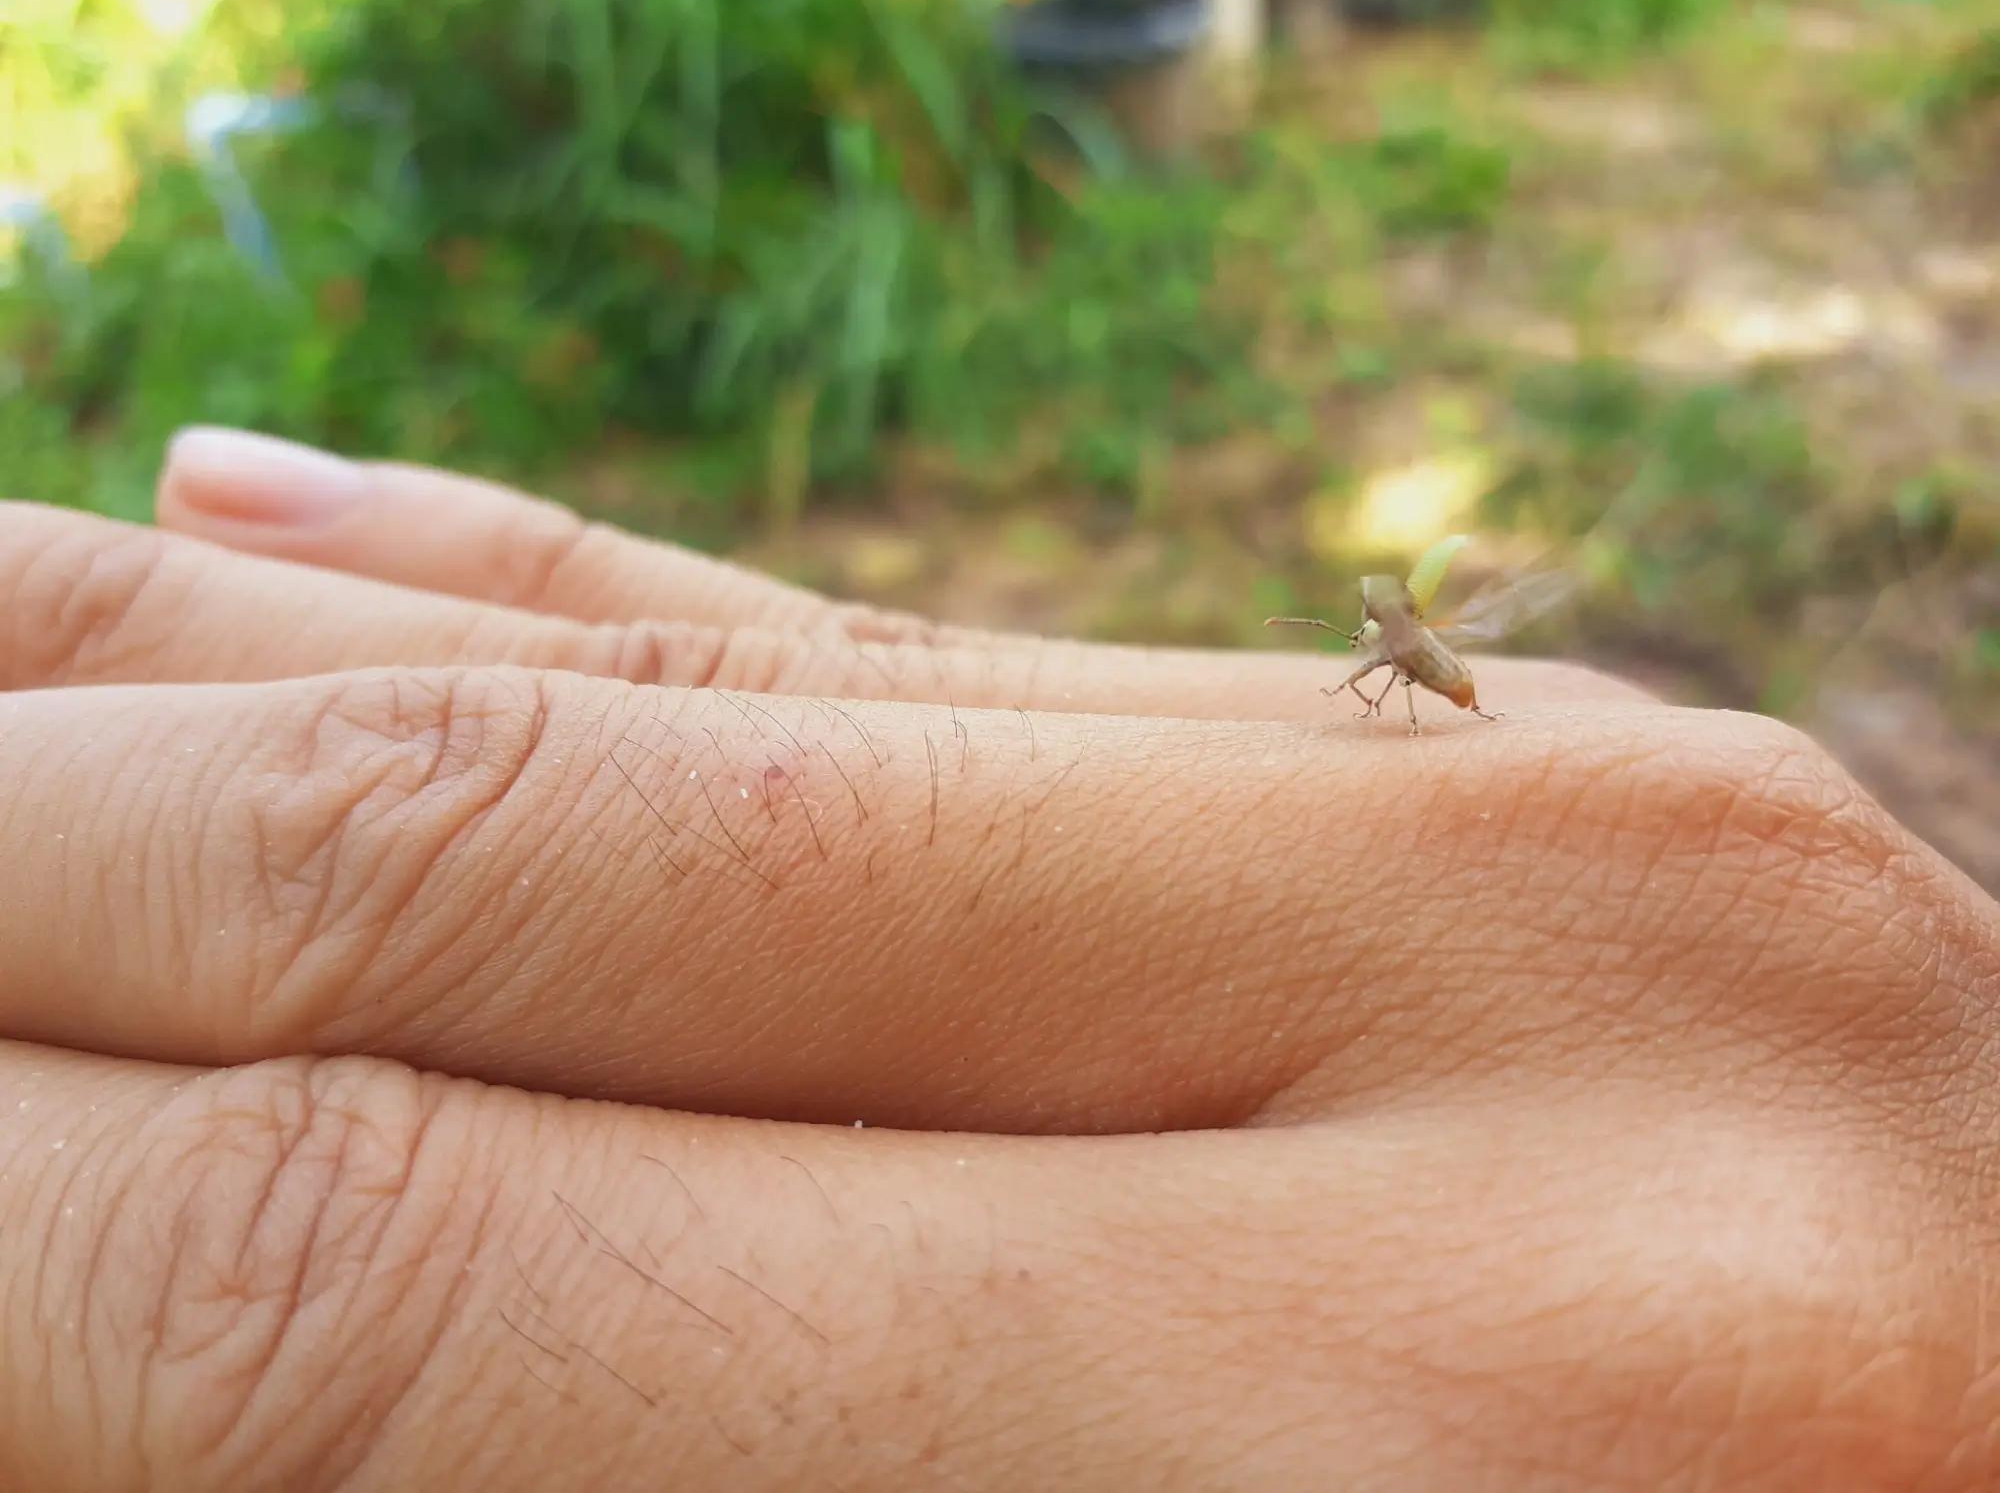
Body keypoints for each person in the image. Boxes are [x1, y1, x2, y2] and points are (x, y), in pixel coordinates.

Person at [0, 427, 1993, 1491]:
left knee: (275, 1265)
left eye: (1389, 620)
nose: (1384, 624)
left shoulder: (1422, 667)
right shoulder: (1398, 648)